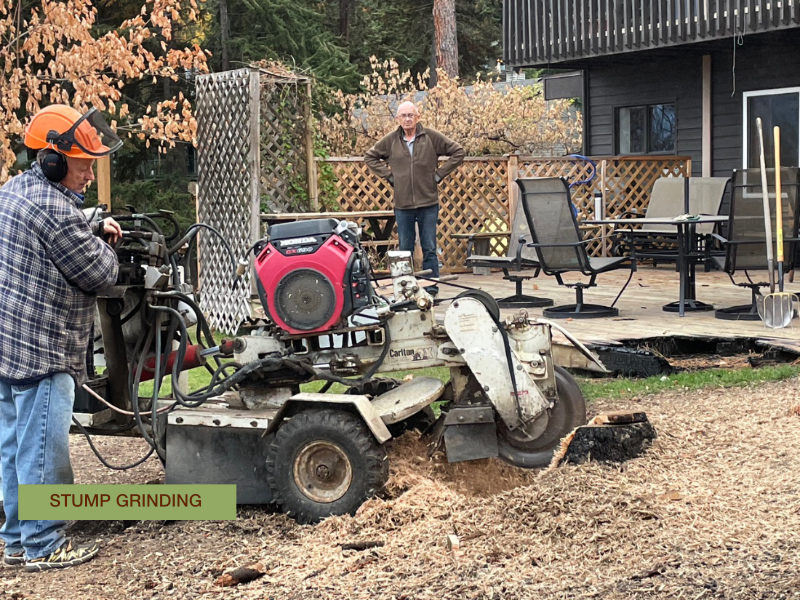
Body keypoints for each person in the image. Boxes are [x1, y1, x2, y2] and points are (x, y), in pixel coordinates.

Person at [0, 104, 123, 571]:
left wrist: (89, 222)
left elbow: (53, 223)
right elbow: (100, 274)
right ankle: (44, 544)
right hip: (42, 350)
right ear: (53, 159)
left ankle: (16, 539)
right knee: (42, 449)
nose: (91, 171)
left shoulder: (16, 189)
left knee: (13, 446)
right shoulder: (56, 208)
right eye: (83, 161)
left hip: (7, 346)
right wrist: (107, 242)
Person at [365, 101, 464, 295]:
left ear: (418, 117)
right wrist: (389, 176)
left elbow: (458, 152)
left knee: (429, 247)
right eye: (404, 115)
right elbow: (370, 157)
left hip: (428, 202)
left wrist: (439, 175)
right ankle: (405, 289)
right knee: (405, 250)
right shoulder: (391, 140)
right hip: (403, 204)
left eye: (411, 115)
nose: (408, 119)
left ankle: (431, 288)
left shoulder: (431, 137)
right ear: (398, 119)